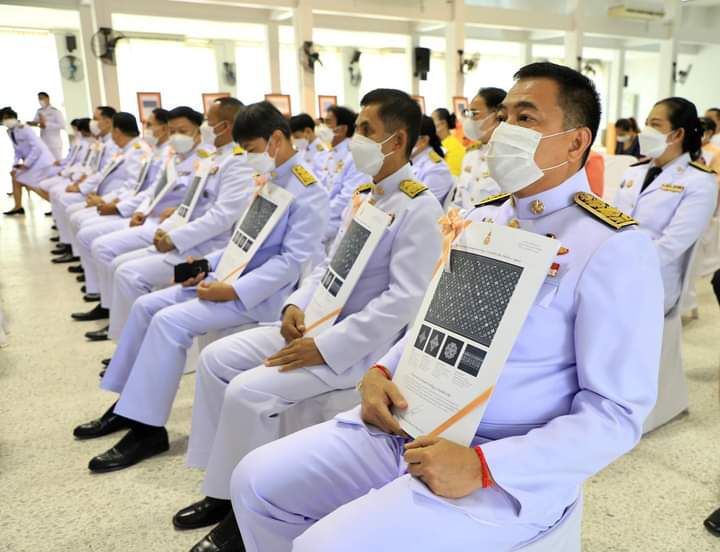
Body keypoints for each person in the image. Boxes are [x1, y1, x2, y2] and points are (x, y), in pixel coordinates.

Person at [227, 61, 665, 552]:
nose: (504, 130)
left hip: (498, 455)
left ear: (575, 141)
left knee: (327, 545)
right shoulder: (481, 218)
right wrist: (380, 370)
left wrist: (486, 466)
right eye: (504, 117)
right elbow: (433, 321)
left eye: (526, 118)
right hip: (408, 422)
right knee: (255, 481)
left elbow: (616, 412)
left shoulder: (611, 245)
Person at [176, 89, 445, 552]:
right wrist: (295, 305)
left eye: (366, 130)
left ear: (398, 140)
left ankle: (243, 518)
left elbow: (405, 299)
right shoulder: (365, 195)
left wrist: (326, 346)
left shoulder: (419, 207)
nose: (355, 138)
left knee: (248, 391)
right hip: (316, 323)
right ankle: (221, 490)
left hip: (357, 347)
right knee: (217, 360)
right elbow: (326, 265)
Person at [72, 101, 328, 480]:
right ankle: (128, 406)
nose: (248, 157)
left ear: (276, 139)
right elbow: (242, 241)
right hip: (228, 279)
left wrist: (233, 291)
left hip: (262, 295)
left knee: (168, 323)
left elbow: (292, 262)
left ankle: (147, 430)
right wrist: (203, 267)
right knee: (145, 306)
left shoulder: (308, 190)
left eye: (251, 149)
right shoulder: (270, 177)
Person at [614, 97, 718, 314]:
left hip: (652, 280)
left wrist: (621, 265)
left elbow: (671, 245)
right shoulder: (634, 171)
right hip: (613, 268)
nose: (646, 131)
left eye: (655, 125)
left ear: (677, 134)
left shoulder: (699, 182)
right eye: (646, 123)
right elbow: (612, 221)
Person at [72, 109, 172, 305]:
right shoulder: (157, 151)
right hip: (142, 211)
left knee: (97, 241)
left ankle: (103, 297)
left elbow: (144, 189)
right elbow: (144, 188)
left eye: (149, 124)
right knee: (84, 227)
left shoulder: (155, 152)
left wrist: (117, 206)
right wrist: (110, 202)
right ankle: (100, 291)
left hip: (154, 217)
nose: (146, 129)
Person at [59, 112, 152, 297]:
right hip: (117, 200)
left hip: (129, 206)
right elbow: (102, 174)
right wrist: (99, 197)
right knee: (78, 219)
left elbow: (135, 187)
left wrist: (107, 201)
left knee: (85, 228)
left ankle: (98, 288)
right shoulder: (125, 149)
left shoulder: (138, 150)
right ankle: (94, 281)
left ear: (116, 130)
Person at [50, 105, 118, 260]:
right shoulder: (101, 142)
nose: (92, 123)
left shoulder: (113, 145)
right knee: (61, 196)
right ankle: (69, 244)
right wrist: (80, 182)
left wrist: (83, 188)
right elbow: (92, 168)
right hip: (94, 188)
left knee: (66, 202)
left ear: (108, 122)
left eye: (96, 119)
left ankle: (72, 248)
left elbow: (105, 174)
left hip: (104, 193)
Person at [321, 105, 368, 246]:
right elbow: (324, 187)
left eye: (328, 122)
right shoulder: (331, 152)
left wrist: (321, 214)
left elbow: (347, 197)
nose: (323, 127)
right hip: (326, 215)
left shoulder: (353, 155)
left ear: (342, 129)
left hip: (337, 221)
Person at [453, 87, 506, 207]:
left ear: (498, 117)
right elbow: (458, 202)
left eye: (474, 113)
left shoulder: (510, 158)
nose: (469, 120)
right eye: (468, 113)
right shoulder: (470, 155)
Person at [1, 107, 56, 216]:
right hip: (32, 161)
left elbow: (37, 148)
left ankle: (57, 206)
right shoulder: (10, 131)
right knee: (16, 178)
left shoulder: (25, 128)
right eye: (3, 119)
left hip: (41, 160)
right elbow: (17, 150)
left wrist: (26, 165)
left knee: (31, 183)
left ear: (14, 117)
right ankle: (18, 207)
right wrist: (14, 166)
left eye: (7, 118)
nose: (6, 121)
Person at [410, 115, 454, 204]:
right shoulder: (413, 161)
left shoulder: (436, 169)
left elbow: (424, 205)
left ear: (424, 140)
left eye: (408, 137)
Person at [27, 91, 66, 160]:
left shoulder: (55, 111)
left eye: (42, 98)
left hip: (54, 143)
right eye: (39, 99)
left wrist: (47, 124)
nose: (41, 100)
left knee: (57, 162)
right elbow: (36, 122)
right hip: (44, 141)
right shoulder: (39, 111)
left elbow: (62, 125)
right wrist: (30, 123)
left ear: (47, 98)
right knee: (47, 162)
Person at [432, 107, 465, 177]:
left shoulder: (455, 147)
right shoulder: (439, 144)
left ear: (443, 123)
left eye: (432, 120)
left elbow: (453, 177)